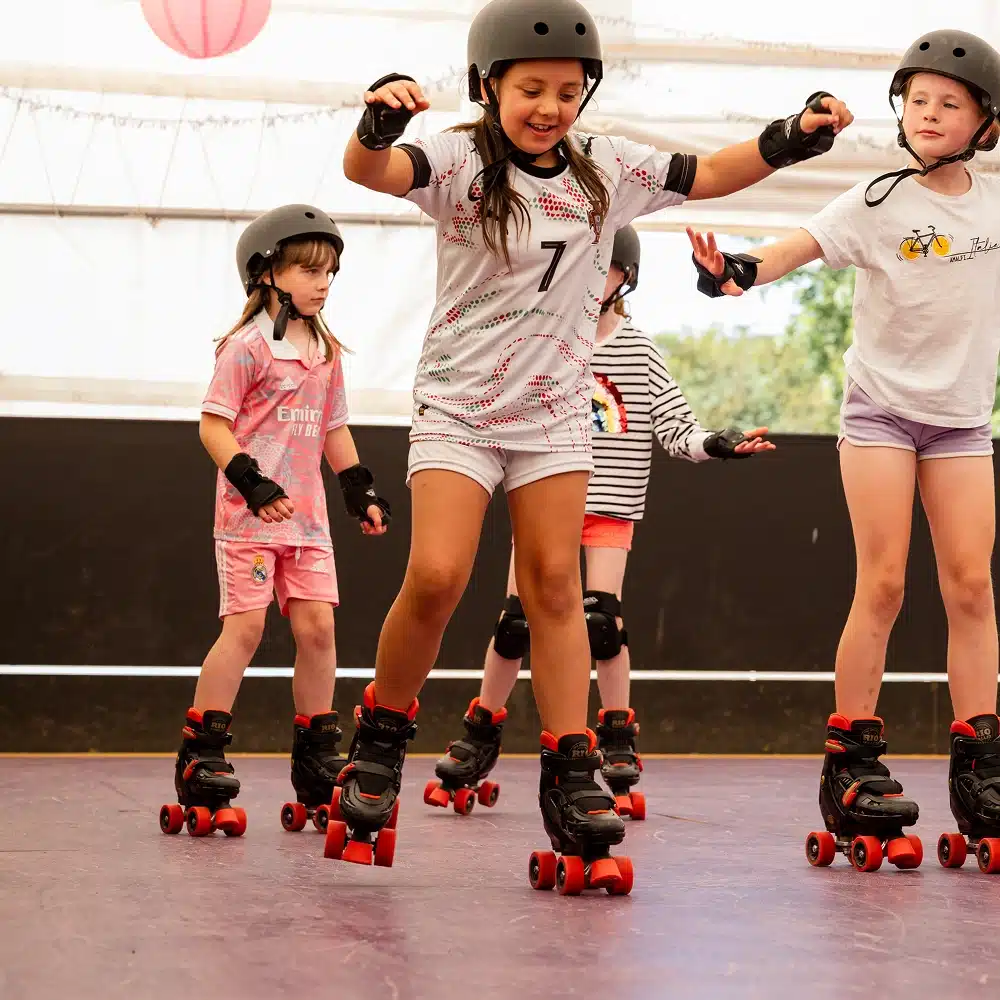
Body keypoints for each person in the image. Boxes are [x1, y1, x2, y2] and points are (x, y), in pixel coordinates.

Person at [332, 0, 850, 889]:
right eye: (531, 90)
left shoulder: (607, 164)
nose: (551, 107)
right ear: (488, 87)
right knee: (439, 576)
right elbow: (373, 173)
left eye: (569, 91)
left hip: (556, 413)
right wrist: (376, 124)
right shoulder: (456, 159)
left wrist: (792, 136)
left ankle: (572, 770)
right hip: (460, 408)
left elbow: (713, 172)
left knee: (553, 593)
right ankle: (380, 738)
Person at [687, 29, 1000, 873]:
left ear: (986, 123)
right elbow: (793, 250)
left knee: (972, 586)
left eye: (950, 104)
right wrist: (734, 273)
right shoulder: (875, 200)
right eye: (918, 101)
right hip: (883, 416)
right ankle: (852, 765)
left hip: (964, 420)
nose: (929, 115)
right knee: (887, 581)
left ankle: (981, 767)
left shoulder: (996, 208)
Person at [424, 224, 774, 822]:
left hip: (609, 504)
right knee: (515, 624)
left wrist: (715, 443)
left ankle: (614, 735)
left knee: (602, 622)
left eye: (601, 269)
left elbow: (674, 426)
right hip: (541, 499)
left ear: (624, 278)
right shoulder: (545, 342)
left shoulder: (639, 350)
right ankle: (481, 731)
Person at [158, 205, 391, 839]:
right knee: (246, 630)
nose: (323, 283)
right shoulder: (247, 348)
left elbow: (334, 426)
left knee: (318, 630)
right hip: (250, 519)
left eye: (331, 273)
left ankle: (317, 759)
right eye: (309, 270)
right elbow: (213, 423)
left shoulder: (325, 351)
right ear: (267, 274)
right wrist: (251, 482)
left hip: (309, 521)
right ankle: (201, 751)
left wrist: (358, 488)